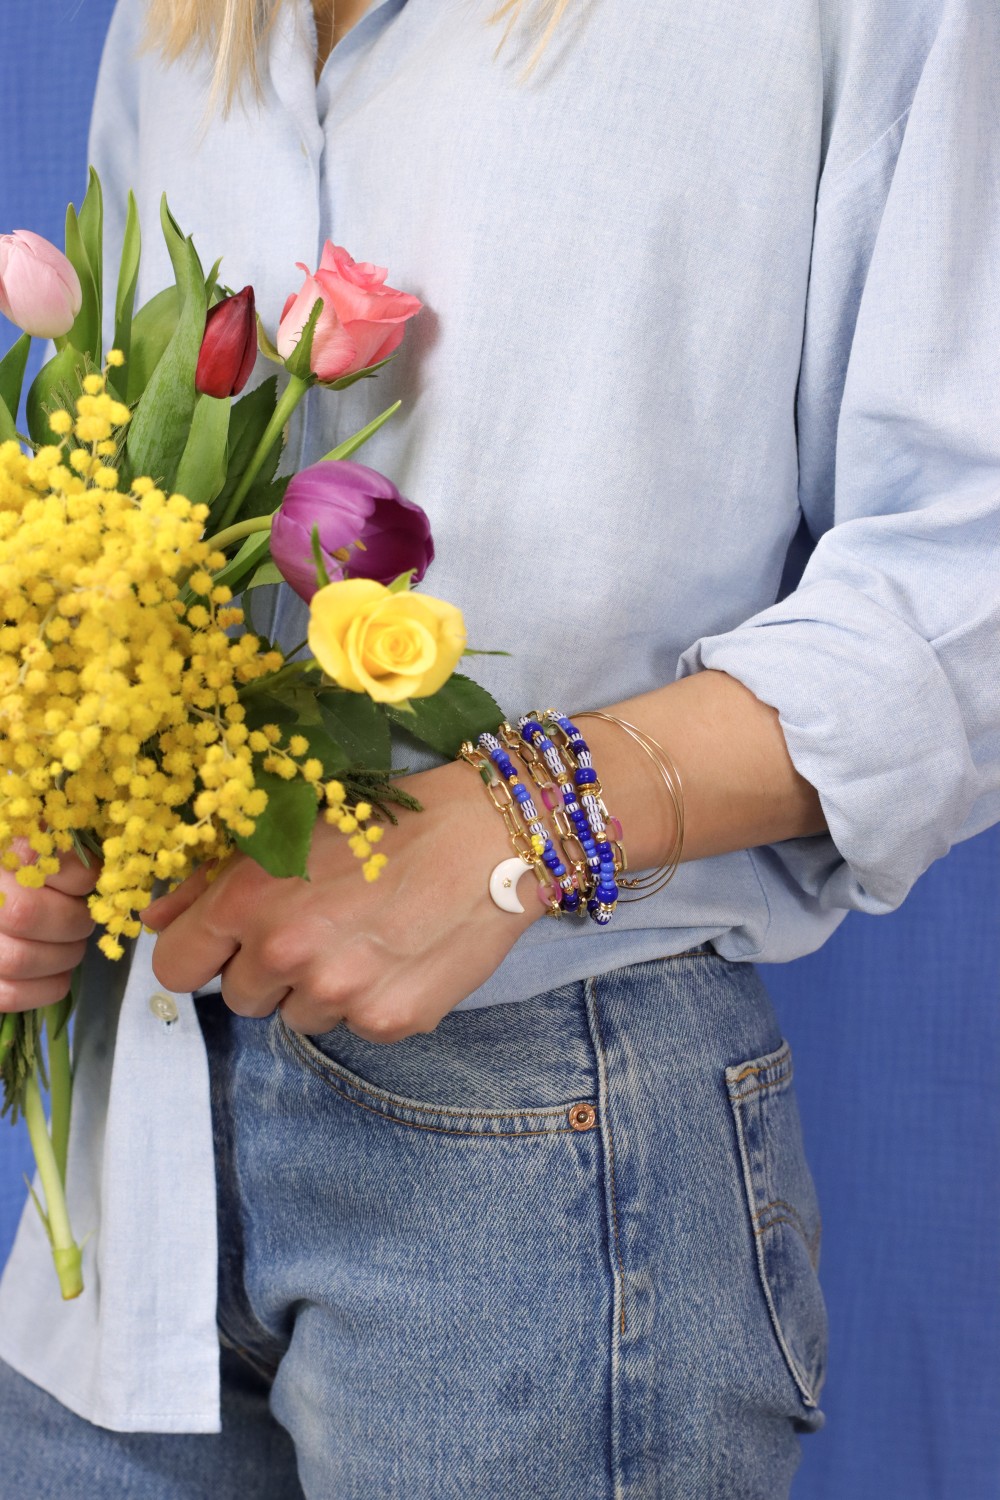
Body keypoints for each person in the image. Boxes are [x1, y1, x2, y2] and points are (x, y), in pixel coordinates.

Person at [1, 0, 998, 1495]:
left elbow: (972, 572)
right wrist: (52, 821)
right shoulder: (185, 19)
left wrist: (519, 817)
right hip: (132, 1138)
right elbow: (138, 510)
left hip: (544, 1146)